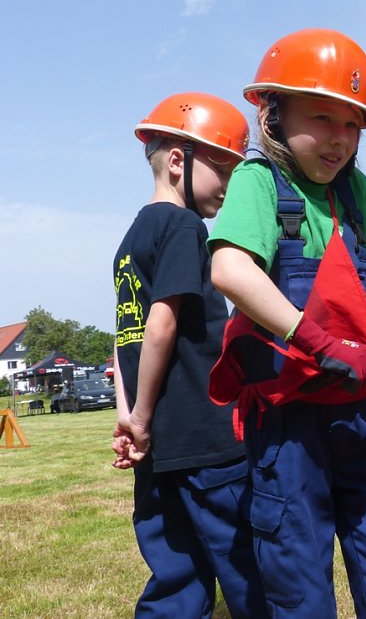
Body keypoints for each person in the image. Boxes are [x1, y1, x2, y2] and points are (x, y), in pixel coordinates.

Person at [207, 28, 366, 619]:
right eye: (322, 119)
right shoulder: (260, 182)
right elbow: (230, 269)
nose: (339, 139)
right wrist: (316, 341)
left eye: (352, 125)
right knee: (298, 577)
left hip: (362, 414)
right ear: (273, 115)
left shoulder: (357, 193)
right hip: (288, 425)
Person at [111, 92, 267, 618]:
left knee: (176, 573)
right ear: (179, 160)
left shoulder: (131, 238)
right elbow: (160, 324)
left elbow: (122, 334)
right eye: (223, 170)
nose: (228, 188)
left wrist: (128, 416)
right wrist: (144, 417)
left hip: (156, 452)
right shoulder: (183, 227)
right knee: (244, 565)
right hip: (205, 439)